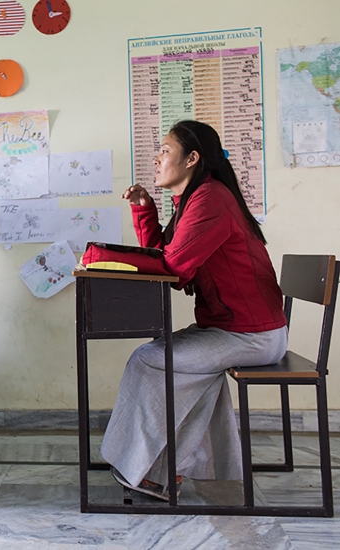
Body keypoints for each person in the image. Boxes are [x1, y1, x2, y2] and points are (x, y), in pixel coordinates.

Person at [84, 120, 288, 501]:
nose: (157, 158)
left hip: (251, 334)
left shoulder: (211, 199)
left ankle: (148, 470)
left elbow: (172, 268)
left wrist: (99, 255)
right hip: (234, 328)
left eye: (164, 149)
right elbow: (166, 254)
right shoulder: (195, 200)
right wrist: (145, 210)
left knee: (149, 359)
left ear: (192, 158)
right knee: (182, 368)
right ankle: (167, 470)